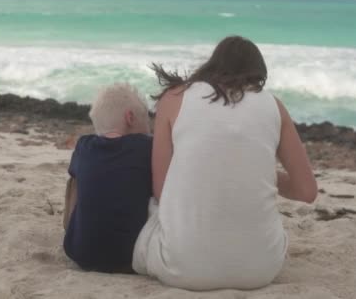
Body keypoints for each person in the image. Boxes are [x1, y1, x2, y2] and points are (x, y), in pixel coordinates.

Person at [133, 36, 318, 290]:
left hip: (181, 267)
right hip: (261, 270)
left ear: (212, 65)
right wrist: (259, 173)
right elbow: (307, 191)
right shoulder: (274, 106)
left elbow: (161, 191)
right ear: (258, 75)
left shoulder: (174, 98)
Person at [63, 83, 153, 273]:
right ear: (130, 117)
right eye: (147, 122)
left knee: (75, 178)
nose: (149, 130)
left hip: (81, 254)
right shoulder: (146, 146)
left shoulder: (83, 146)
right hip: (129, 257)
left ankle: (73, 227)